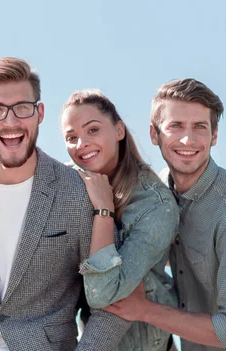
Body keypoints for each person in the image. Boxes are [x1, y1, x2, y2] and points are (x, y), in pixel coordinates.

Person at [0, 57, 130, 351]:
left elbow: (111, 305)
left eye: (22, 107)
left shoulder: (78, 194)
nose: (11, 121)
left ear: (39, 112)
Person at [103, 78, 226, 350]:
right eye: (175, 126)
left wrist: (144, 309)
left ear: (214, 135)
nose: (188, 139)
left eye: (200, 127)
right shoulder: (157, 193)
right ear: (154, 134)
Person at [60, 89, 179, 350]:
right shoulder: (75, 178)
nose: (81, 144)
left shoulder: (155, 206)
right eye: (71, 137)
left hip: (145, 343)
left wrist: (104, 209)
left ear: (119, 131)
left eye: (92, 130)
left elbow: (104, 294)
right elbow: (22, 163)